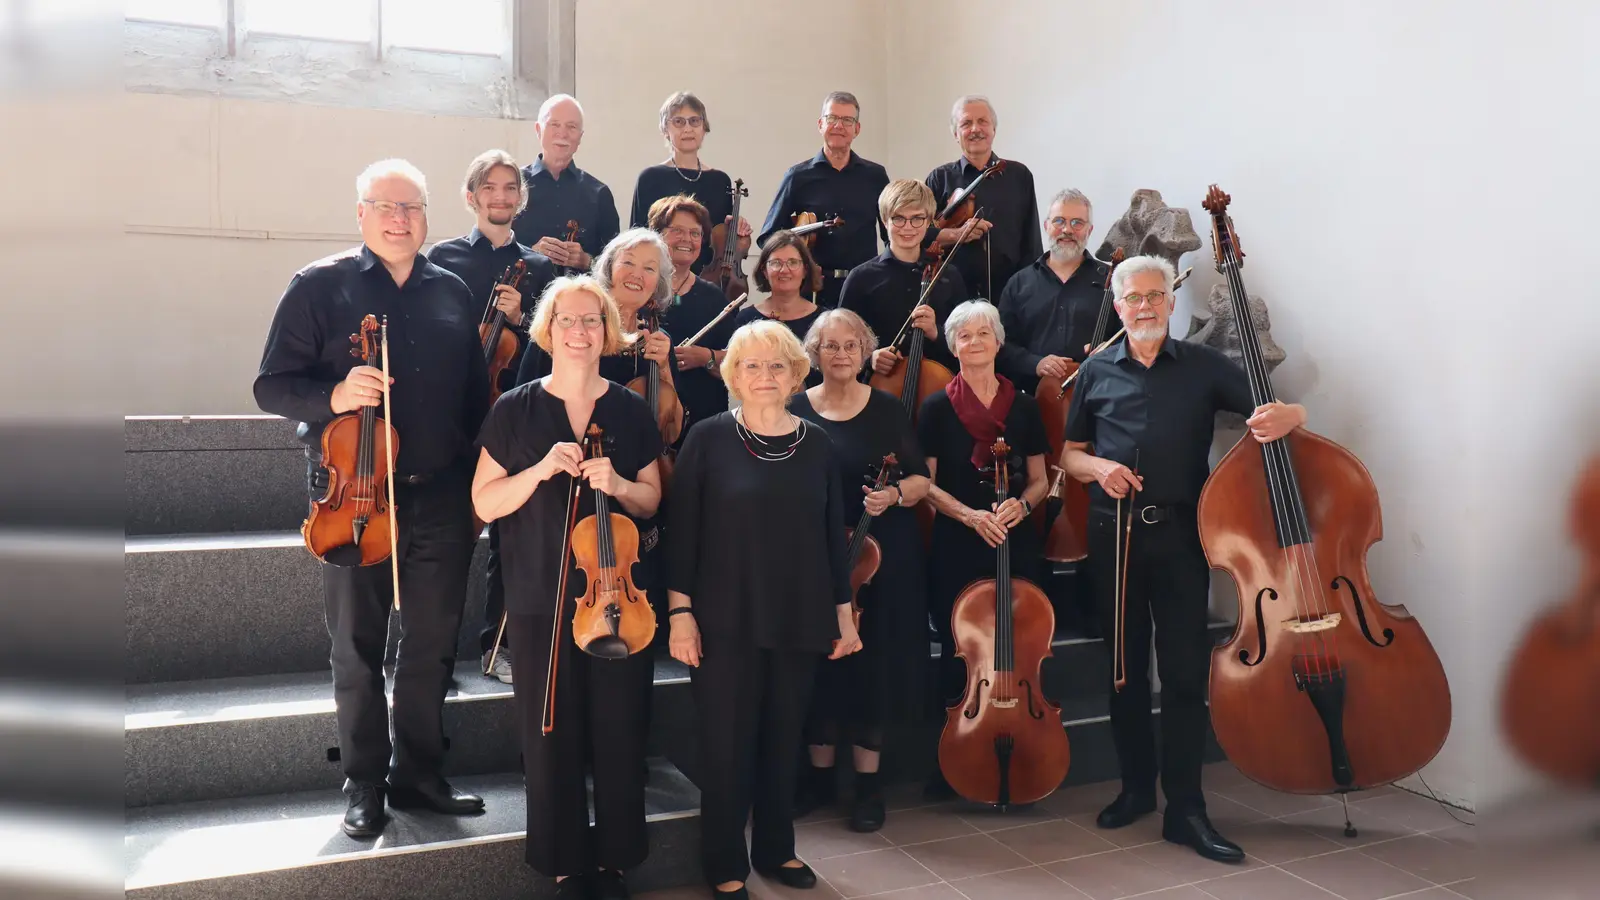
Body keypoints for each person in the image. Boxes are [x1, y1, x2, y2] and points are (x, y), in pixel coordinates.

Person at [254, 159, 489, 839]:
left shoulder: (451, 291)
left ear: (426, 217)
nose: (399, 219)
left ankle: (419, 773)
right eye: (385, 206)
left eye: (412, 207)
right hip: (352, 498)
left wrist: (477, 485)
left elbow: (475, 400)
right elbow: (271, 385)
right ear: (361, 214)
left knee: (433, 642)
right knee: (356, 646)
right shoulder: (319, 288)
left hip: (440, 492)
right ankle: (364, 781)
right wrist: (332, 397)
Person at [1061, 255, 1306, 863]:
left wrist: (1294, 414)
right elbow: (1069, 453)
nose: (1144, 306)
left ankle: (1186, 808)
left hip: (1182, 538)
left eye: (1154, 296)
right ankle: (1136, 789)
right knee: (1123, 671)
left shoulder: (1204, 366)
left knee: (1184, 675)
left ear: (1171, 303)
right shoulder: (1095, 370)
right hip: (1113, 536)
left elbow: (1269, 410)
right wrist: (1098, 468)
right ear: (1117, 307)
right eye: (1133, 298)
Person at [472, 276, 663, 900]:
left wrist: (620, 486)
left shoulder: (630, 410)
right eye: (566, 320)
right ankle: (561, 859)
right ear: (546, 330)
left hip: (617, 598)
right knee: (548, 729)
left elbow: (653, 499)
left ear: (607, 332)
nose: (578, 332)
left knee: (618, 723)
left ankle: (614, 858)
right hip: (539, 592)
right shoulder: (515, 408)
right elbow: (485, 501)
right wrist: (539, 469)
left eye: (590, 321)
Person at [666, 320, 862, 899]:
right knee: (726, 745)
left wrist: (844, 614)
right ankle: (724, 860)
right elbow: (683, 535)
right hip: (724, 619)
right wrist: (681, 613)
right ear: (733, 375)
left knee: (784, 739)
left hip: (799, 615)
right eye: (751, 366)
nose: (765, 376)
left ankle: (778, 849)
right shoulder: (706, 437)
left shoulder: (819, 443)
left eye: (777, 365)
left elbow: (833, 539)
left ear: (797, 372)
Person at [789, 309, 931, 832]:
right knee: (820, 667)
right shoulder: (795, 408)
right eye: (831, 345)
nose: (842, 354)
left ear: (866, 350)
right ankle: (820, 780)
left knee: (872, 670)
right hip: (815, 554)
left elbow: (919, 481)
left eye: (851, 344)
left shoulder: (888, 411)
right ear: (815, 352)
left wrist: (892, 494)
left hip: (881, 557)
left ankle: (869, 787)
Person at [427, 149, 558, 684]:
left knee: (509, 540)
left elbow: (548, 345)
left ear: (520, 199)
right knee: (449, 539)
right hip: (456, 415)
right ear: (472, 196)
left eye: (510, 188)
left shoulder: (543, 268)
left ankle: (496, 646)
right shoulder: (443, 258)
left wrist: (520, 317)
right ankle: (434, 656)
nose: (501, 197)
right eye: (490, 188)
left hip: (513, 417)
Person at [917, 299, 1049, 799]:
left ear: (998, 342)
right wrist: (970, 515)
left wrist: (1021, 505)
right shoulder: (935, 407)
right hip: (959, 540)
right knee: (960, 653)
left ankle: (1025, 745)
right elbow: (924, 484)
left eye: (983, 334)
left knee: (1020, 646)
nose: (974, 343)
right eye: (963, 336)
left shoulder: (1027, 406)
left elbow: (1039, 480)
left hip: (1016, 540)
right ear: (952, 347)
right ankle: (955, 757)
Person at [759, 91, 890, 308]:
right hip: (813, 290)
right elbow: (769, 238)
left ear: (857, 129)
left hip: (864, 285)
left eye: (847, 120)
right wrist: (800, 265)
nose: (839, 126)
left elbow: (890, 236)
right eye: (832, 119)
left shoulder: (875, 176)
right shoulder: (797, 176)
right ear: (821, 124)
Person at [840, 179, 965, 380]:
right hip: (877, 390)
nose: (908, 227)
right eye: (898, 218)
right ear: (884, 221)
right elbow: (840, 344)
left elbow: (967, 341)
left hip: (940, 387)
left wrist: (935, 332)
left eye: (917, 218)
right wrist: (870, 358)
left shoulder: (949, 275)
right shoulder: (860, 279)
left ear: (929, 221)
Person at [925, 95, 1042, 301]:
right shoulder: (939, 178)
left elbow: (1031, 241)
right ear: (955, 133)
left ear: (993, 130)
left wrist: (1030, 289)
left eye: (982, 122)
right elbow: (923, 235)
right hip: (951, 292)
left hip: (1009, 292)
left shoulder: (1019, 175)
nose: (975, 129)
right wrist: (956, 234)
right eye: (966, 123)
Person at [994, 188, 1110, 389]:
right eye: (1059, 221)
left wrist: (1108, 351)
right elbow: (1001, 345)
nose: (1067, 229)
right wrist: (1035, 363)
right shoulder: (1018, 283)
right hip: (1033, 400)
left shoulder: (1113, 279)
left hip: (1099, 395)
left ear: (1089, 231)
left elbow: (1129, 338)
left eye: (1077, 222)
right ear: (1047, 226)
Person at [629, 92, 752, 274]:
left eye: (694, 121)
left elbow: (725, 246)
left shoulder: (720, 180)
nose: (687, 129)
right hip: (661, 278)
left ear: (704, 127)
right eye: (678, 122)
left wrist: (736, 228)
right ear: (665, 130)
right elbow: (638, 238)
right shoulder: (650, 178)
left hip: (711, 278)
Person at [646, 194, 735, 439]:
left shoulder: (714, 297)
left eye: (695, 233)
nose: (687, 239)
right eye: (677, 230)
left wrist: (705, 357)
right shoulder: (639, 290)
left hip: (702, 423)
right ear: (657, 234)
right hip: (645, 416)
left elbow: (737, 362)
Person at [512, 94, 621, 276]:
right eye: (554, 124)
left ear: (580, 137)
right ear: (538, 130)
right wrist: (531, 254)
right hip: (521, 298)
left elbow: (615, 266)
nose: (562, 133)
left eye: (571, 127)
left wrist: (586, 261)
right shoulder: (512, 185)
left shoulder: (599, 194)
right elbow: (495, 249)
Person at [734, 232, 823, 387]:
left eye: (793, 262)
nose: (784, 270)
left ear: (805, 270)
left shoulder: (823, 321)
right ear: (764, 271)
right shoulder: (746, 319)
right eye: (776, 263)